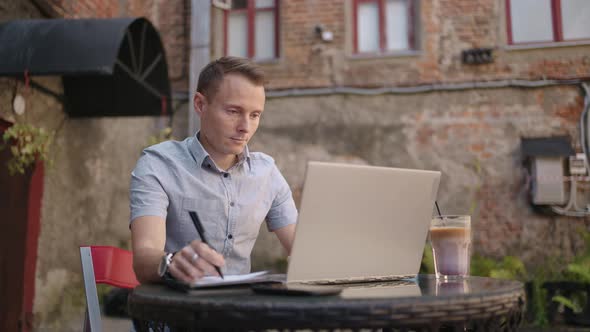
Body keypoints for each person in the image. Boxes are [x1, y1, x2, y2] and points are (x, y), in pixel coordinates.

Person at [129, 56, 298, 284]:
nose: (245, 128)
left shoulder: (267, 172)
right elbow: (143, 258)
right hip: (177, 311)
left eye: (255, 115)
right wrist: (171, 262)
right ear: (200, 104)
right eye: (233, 111)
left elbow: (301, 250)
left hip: (241, 311)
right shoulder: (159, 165)